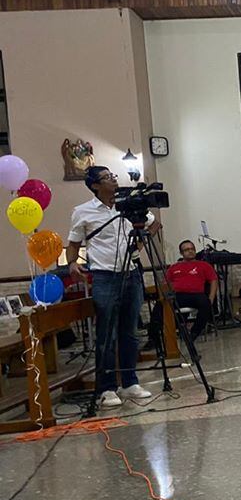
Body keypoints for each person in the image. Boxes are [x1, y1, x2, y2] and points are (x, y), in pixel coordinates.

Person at [66, 166, 158, 408]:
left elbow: (154, 224)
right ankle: (106, 388)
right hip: (105, 277)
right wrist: (72, 263)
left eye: (113, 176)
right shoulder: (83, 212)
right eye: (107, 178)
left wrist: (137, 247)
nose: (114, 180)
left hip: (132, 275)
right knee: (107, 334)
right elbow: (74, 243)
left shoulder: (127, 206)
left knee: (130, 331)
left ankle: (130, 382)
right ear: (95, 185)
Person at [149, 240, 217, 343]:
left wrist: (211, 297)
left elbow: (213, 280)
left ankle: (194, 333)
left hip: (196, 295)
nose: (190, 251)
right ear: (181, 253)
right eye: (186, 250)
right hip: (178, 295)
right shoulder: (174, 267)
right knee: (159, 306)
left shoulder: (204, 265)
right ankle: (153, 339)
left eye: (192, 249)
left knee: (206, 304)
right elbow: (166, 284)